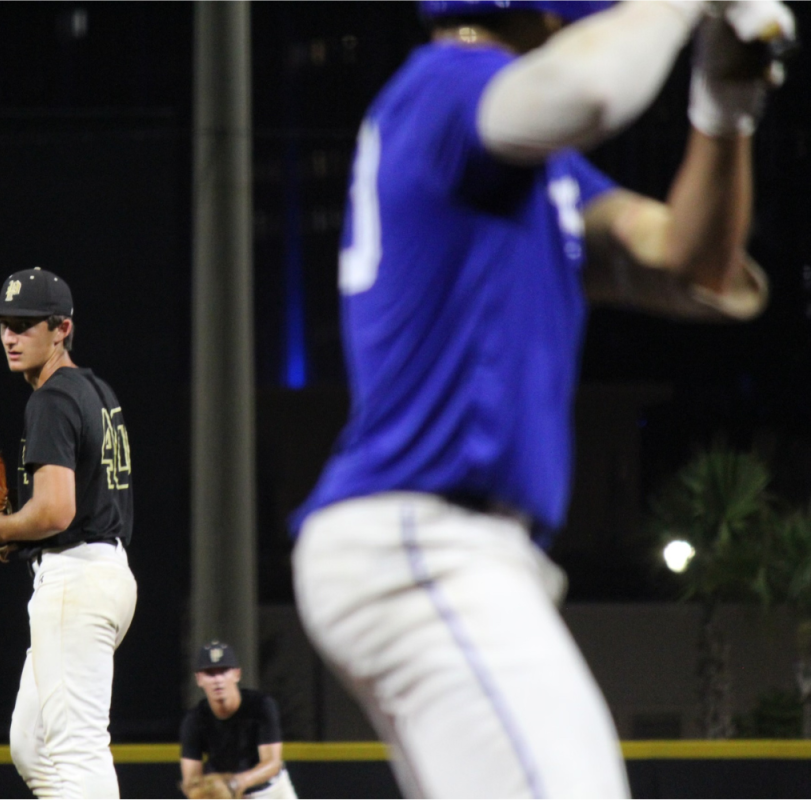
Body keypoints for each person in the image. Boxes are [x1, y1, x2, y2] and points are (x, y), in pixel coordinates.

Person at [290, 1, 794, 797]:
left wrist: (722, 112)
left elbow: (696, 264)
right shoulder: (449, 85)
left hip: (441, 547)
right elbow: (589, 90)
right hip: (423, 537)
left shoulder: (525, 160)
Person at [0, 266, 138, 798]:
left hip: (75, 578)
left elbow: (56, 510)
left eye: (25, 324)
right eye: (4, 325)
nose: (10, 337)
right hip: (104, 572)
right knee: (31, 745)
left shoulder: (51, 398)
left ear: (61, 328)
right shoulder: (96, 390)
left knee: (76, 748)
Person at [179, 641, 298, 799]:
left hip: (270, 791)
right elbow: (191, 780)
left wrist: (236, 783)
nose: (218, 679)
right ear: (199, 679)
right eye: (210, 673)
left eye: (224, 671)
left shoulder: (261, 706)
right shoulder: (194, 721)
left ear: (237, 674)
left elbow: (272, 764)